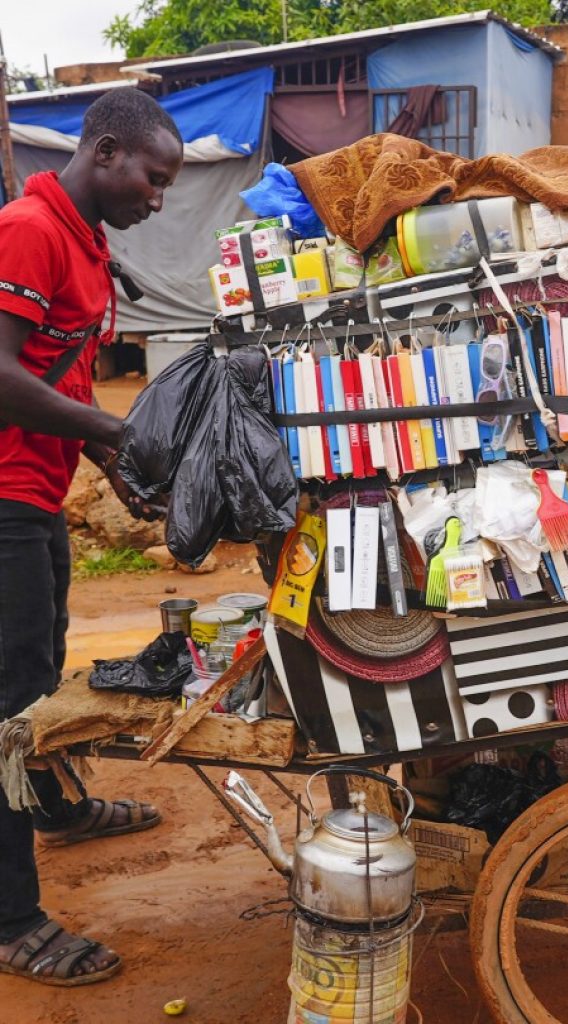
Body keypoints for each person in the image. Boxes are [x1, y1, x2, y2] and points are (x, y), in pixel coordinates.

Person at [0, 88, 183, 986]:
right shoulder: (29, 231)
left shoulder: (85, 242)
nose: (159, 197)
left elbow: (57, 374)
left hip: (35, 494)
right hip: (0, 501)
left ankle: (56, 812)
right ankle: (9, 919)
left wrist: (113, 469)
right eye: (153, 178)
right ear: (106, 152)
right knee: (4, 707)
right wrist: (117, 434)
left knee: (39, 675)